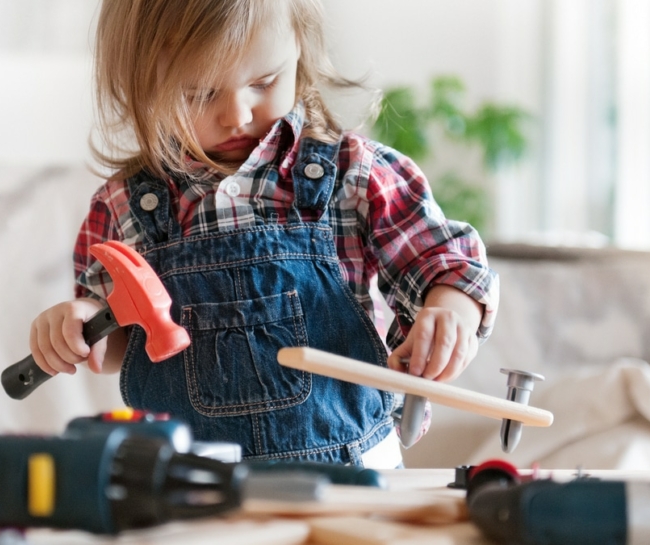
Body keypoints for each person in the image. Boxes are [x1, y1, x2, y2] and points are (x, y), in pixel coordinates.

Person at [29, 0, 499, 468]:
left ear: (299, 47)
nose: (236, 113)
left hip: (352, 467)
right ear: (141, 83)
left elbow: (448, 264)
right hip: (189, 477)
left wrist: (449, 311)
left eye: (263, 82)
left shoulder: (354, 174)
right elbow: (115, 349)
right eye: (197, 93)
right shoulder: (122, 205)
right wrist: (81, 325)